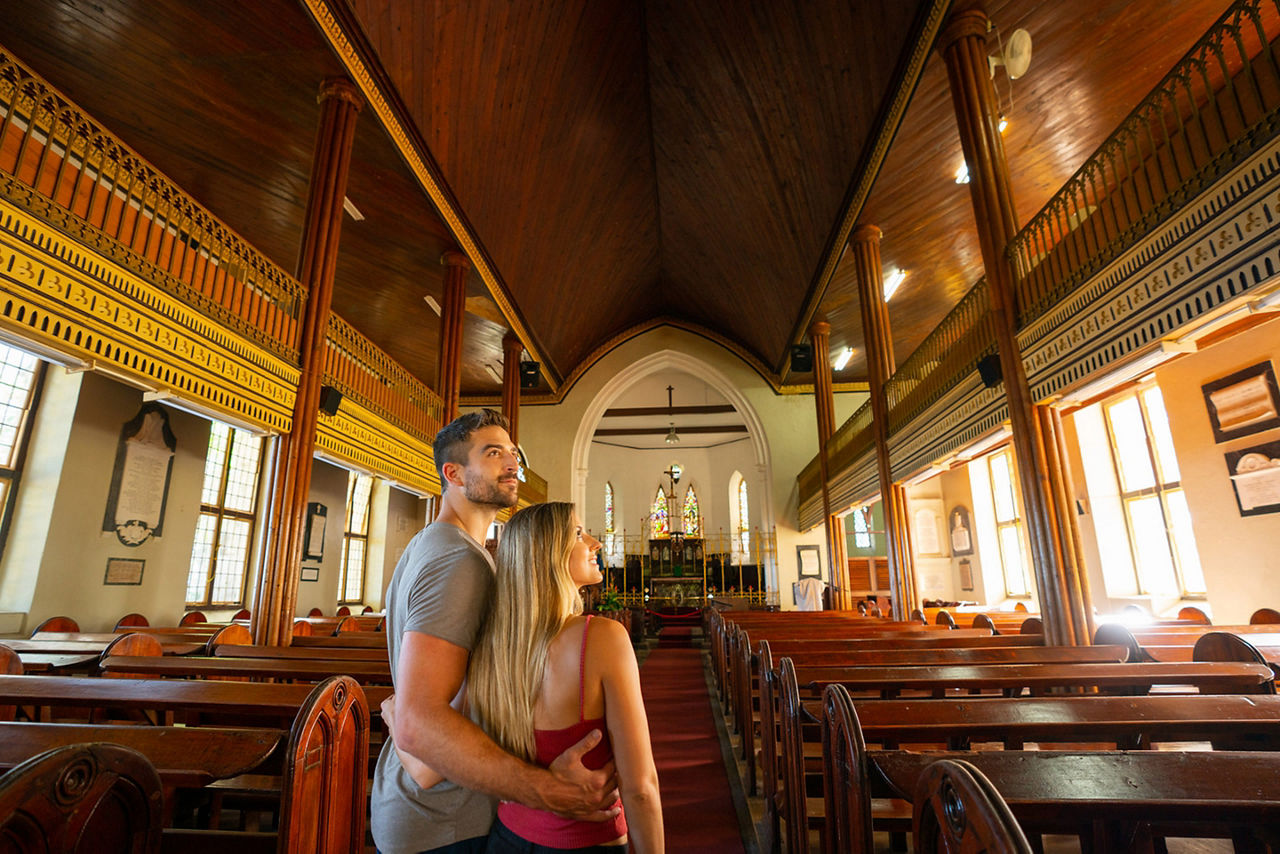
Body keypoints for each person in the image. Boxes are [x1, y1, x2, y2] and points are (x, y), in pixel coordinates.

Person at [371, 409, 618, 854]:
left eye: (512, 453)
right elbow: (419, 728)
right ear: (454, 474)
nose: (512, 464)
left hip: (434, 809)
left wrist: (398, 714)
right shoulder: (457, 562)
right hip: (443, 820)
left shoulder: (440, 546)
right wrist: (547, 790)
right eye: (492, 453)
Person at [469, 502, 663, 852]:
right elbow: (640, 788)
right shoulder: (603, 638)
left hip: (506, 839)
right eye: (577, 533)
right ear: (547, 555)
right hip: (587, 843)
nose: (594, 542)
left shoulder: (491, 645)